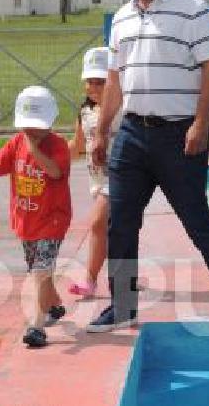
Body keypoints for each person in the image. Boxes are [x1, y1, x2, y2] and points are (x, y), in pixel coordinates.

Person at [87, 0, 209, 333]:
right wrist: (102, 131)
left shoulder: (193, 9)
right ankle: (123, 305)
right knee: (120, 223)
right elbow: (114, 77)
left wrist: (200, 122)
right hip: (132, 133)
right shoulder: (122, 17)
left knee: (195, 217)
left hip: (180, 134)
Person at [0, 86, 72, 347]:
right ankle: (54, 305)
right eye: (28, 126)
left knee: (41, 271)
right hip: (26, 220)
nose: (32, 132)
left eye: (37, 127)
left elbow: (56, 172)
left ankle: (37, 326)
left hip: (52, 219)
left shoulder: (58, 145)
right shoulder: (16, 142)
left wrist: (35, 149)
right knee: (37, 268)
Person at [67, 47, 124, 298]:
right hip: (97, 181)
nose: (93, 87)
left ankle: (89, 279)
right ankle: (125, 277)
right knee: (115, 230)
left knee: (97, 223)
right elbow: (76, 147)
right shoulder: (85, 112)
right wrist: (50, 160)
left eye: (100, 82)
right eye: (89, 81)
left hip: (120, 178)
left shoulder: (123, 111)